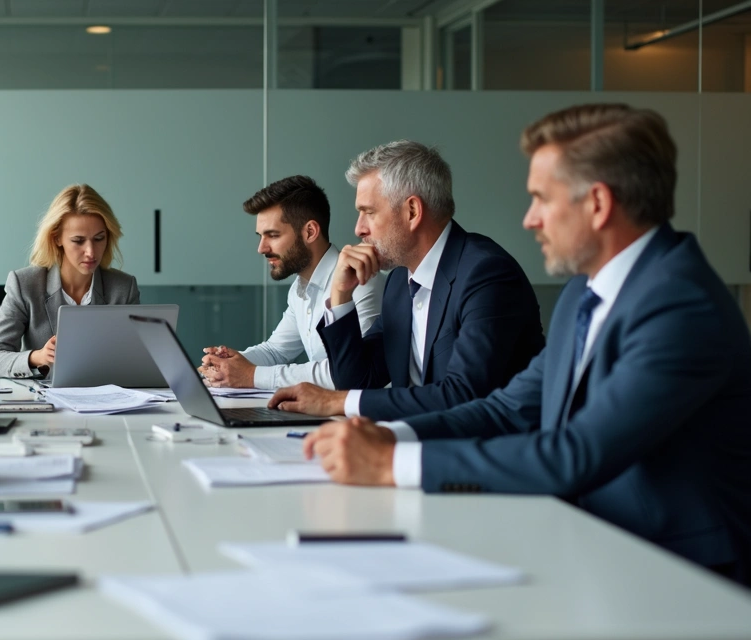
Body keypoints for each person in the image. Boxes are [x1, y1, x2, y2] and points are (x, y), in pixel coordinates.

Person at [300, 104, 751, 584]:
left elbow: (575, 453)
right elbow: (506, 409)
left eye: (541, 198)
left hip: (678, 572)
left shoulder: (681, 305)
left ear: (597, 204)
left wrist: (393, 462)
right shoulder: (586, 291)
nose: (530, 219)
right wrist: (392, 435)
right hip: (588, 539)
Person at [269, 141, 544, 420]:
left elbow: (464, 396)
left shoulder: (487, 274)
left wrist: (337, 403)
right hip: (412, 442)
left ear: (412, 211)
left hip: (478, 453)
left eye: (369, 212)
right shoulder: (400, 281)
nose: (359, 229)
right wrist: (340, 295)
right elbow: (358, 381)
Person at [197, 176, 385, 390]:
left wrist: (252, 375)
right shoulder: (299, 288)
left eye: (273, 235)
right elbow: (276, 351)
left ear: (310, 232)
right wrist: (230, 363)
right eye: (260, 236)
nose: (261, 248)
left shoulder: (361, 280)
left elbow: (350, 371)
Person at [0, 184, 139, 379]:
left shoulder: (123, 288)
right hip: (47, 404)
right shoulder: (25, 285)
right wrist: (37, 357)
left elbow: (138, 363)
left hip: (106, 403)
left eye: (99, 238)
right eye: (78, 241)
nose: (90, 251)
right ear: (57, 238)